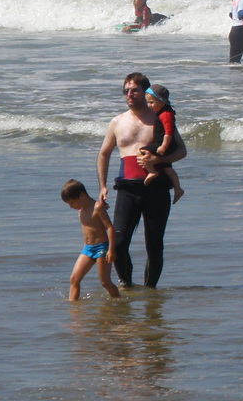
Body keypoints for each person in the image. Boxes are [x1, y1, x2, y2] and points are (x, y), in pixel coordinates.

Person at [97, 72, 187, 288]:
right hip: (127, 188)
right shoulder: (117, 121)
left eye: (134, 90)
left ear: (145, 92)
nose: (129, 94)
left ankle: (150, 291)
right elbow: (104, 154)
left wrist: (159, 159)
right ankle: (126, 285)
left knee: (154, 245)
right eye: (126, 90)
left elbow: (182, 151)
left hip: (156, 189)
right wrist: (102, 186)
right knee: (117, 243)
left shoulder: (161, 118)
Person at [61, 178, 120, 302]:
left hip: (102, 248)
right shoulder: (81, 210)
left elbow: (109, 228)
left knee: (105, 282)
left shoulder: (97, 207)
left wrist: (111, 250)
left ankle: (118, 303)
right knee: (74, 279)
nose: (71, 207)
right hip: (88, 249)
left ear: (81, 196)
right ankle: (73, 308)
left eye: (72, 202)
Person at [138, 84, 184, 203]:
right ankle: (178, 189)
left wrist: (163, 146)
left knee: (143, 150)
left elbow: (168, 132)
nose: (149, 106)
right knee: (168, 169)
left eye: (152, 102)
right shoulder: (163, 112)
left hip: (163, 144)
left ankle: (152, 171)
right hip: (163, 144)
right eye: (148, 102)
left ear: (162, 101)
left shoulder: (166, 114)